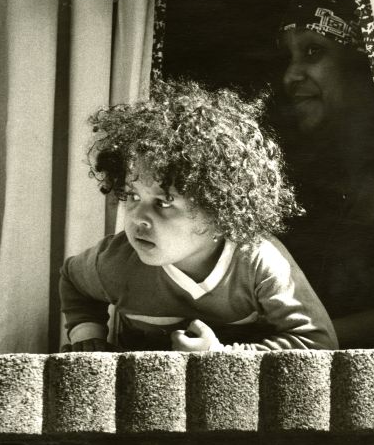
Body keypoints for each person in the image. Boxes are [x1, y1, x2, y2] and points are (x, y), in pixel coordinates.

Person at [60, 79, 337, 353]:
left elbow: (318, 343)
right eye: (133, 196)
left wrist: (220, 356)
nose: (138, 218)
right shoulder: (116, 261)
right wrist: (89, 336)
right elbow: (73, 281)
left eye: (163, 202)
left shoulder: (257, 263)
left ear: (218, 208)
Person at [276, 0, 374, 349]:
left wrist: (292, 343)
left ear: (364, 63)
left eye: (313, 52)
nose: (290, 76)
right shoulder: (310, 178)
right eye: (289, 57)